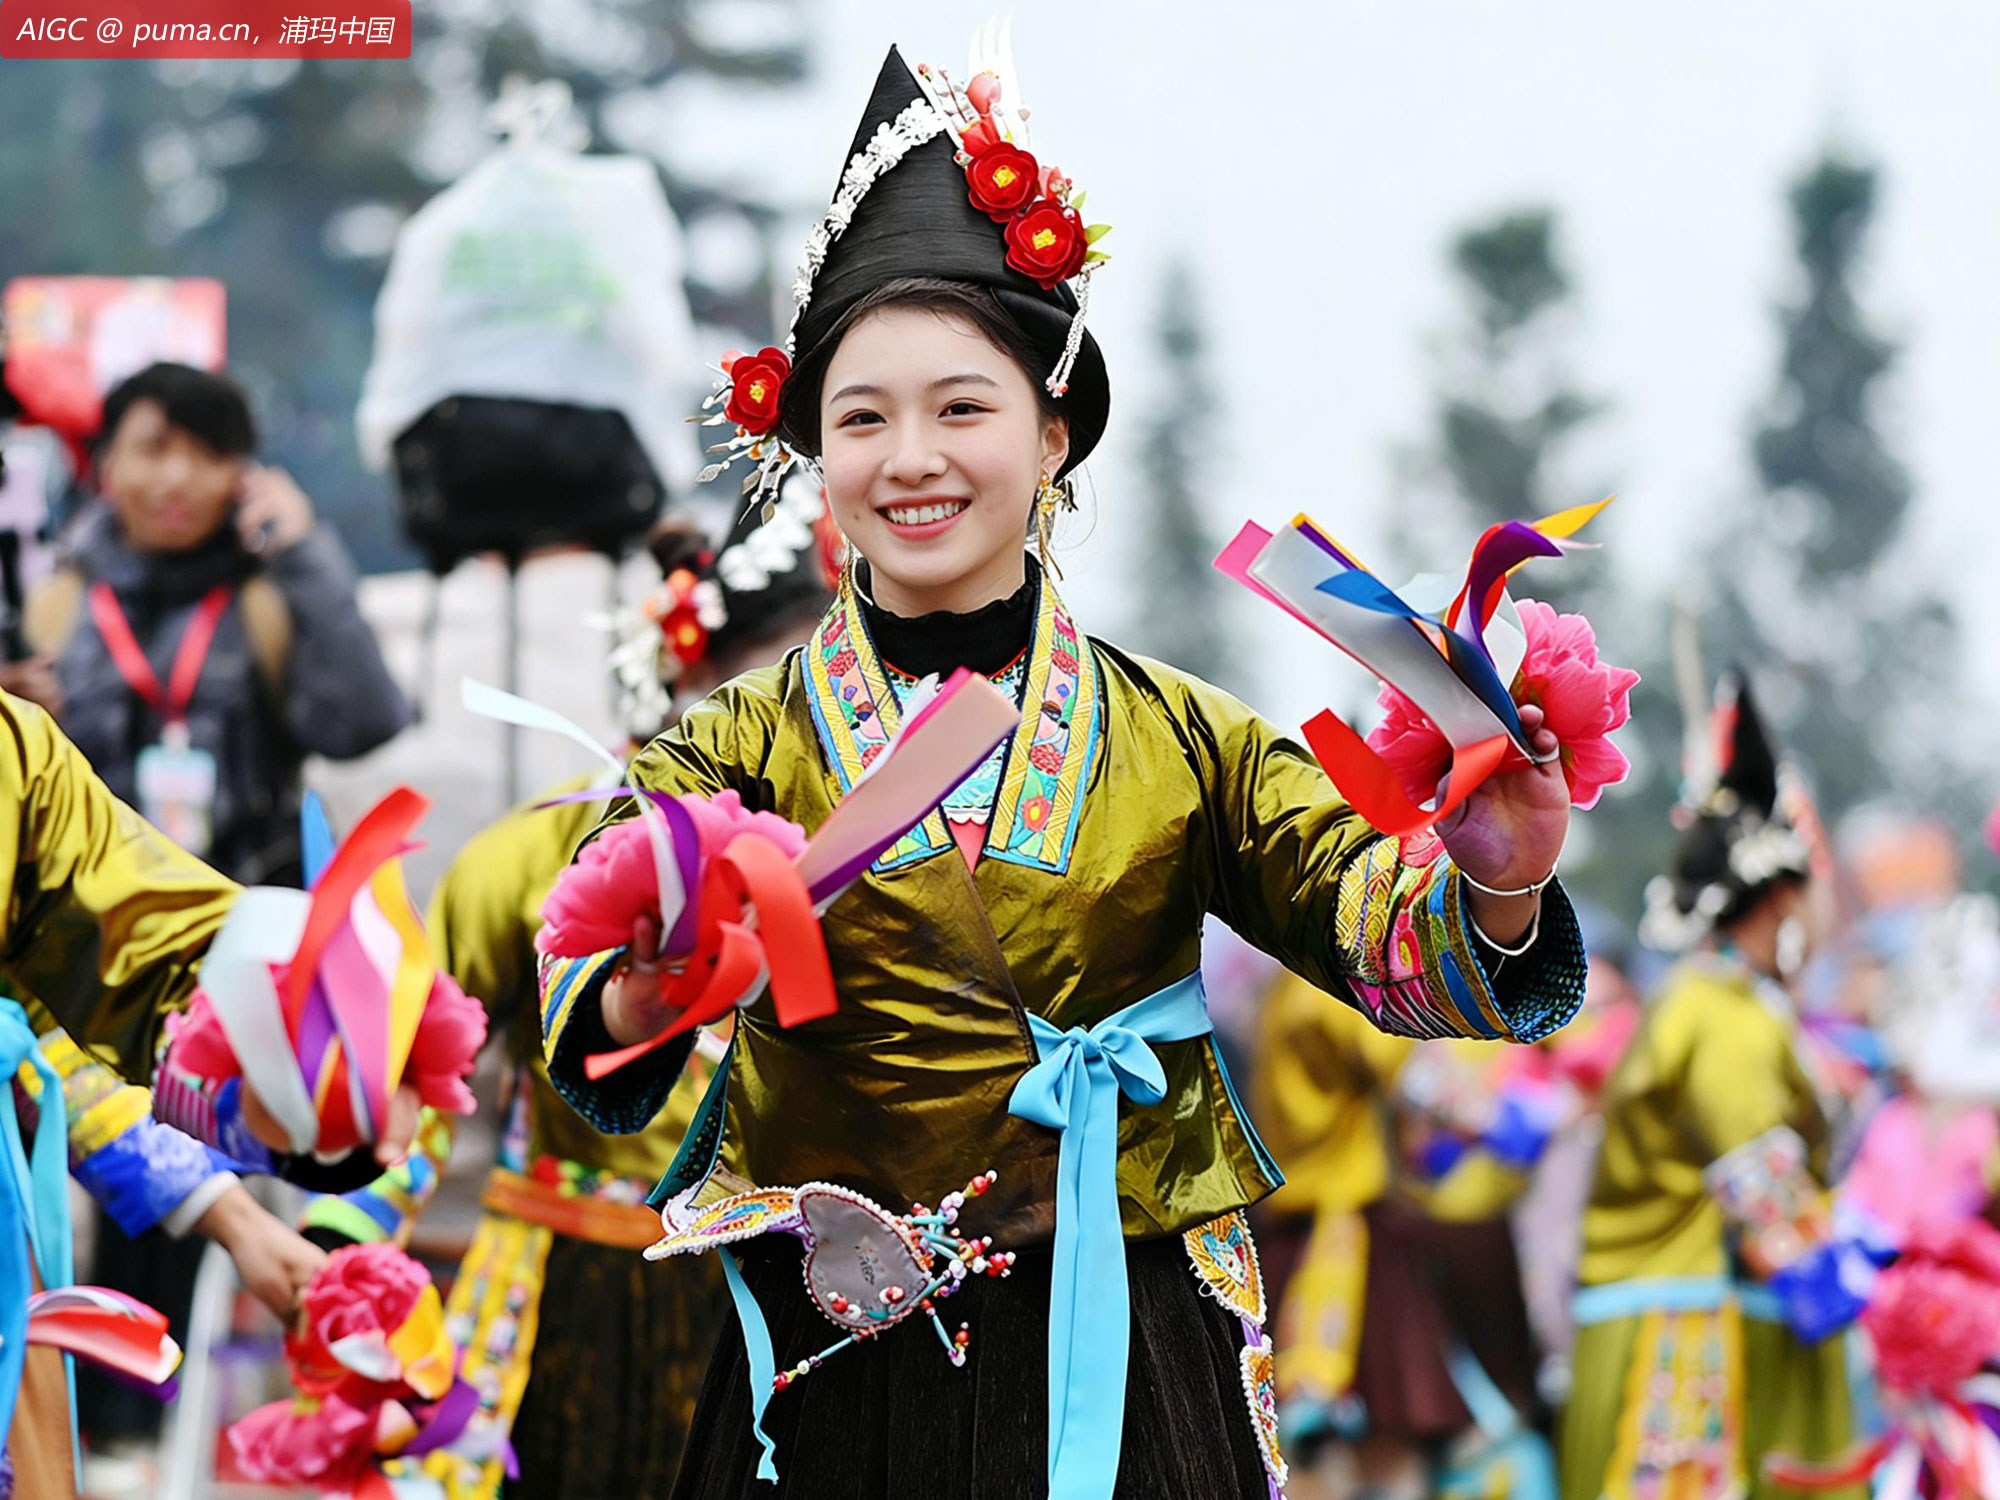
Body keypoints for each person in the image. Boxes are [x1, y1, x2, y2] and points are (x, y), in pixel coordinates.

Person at [538, 41, 1590, 1499]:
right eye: (863, 416)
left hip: (1134, 1343)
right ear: (815, 452)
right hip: (839, 1354)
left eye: (961, 407)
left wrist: (1503, 876)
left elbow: (1385, 940)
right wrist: (652, 984)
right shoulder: (723, 751)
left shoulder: (1187, 740)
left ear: (1053, 431)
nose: (912, 457)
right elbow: (588, 989)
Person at [303, 501, 837, 1499]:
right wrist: (350, 1232)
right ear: (684, 675)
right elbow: (424, 1066)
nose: (797, 724)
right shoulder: (533, 858)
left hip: (778, 1300)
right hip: (559, 1289)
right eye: (764, 686)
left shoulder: (870, 877)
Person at [1558, 673, 1865, 1500]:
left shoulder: (1703, 999)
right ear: (1781, 900)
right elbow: (1759, 1175)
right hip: (1678, 1330)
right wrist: (1854, 1286)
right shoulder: (1724, 1012)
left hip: (1660, 1307)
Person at [18, 360, 410, 885]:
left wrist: (304, 550)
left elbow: (365, 725)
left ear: (245, 475)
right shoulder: (51, 605)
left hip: (249, 914)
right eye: (154, 450)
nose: (178, 478)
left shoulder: (272, 595)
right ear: (106, 464)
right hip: (87, 924)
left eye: (208, 454)